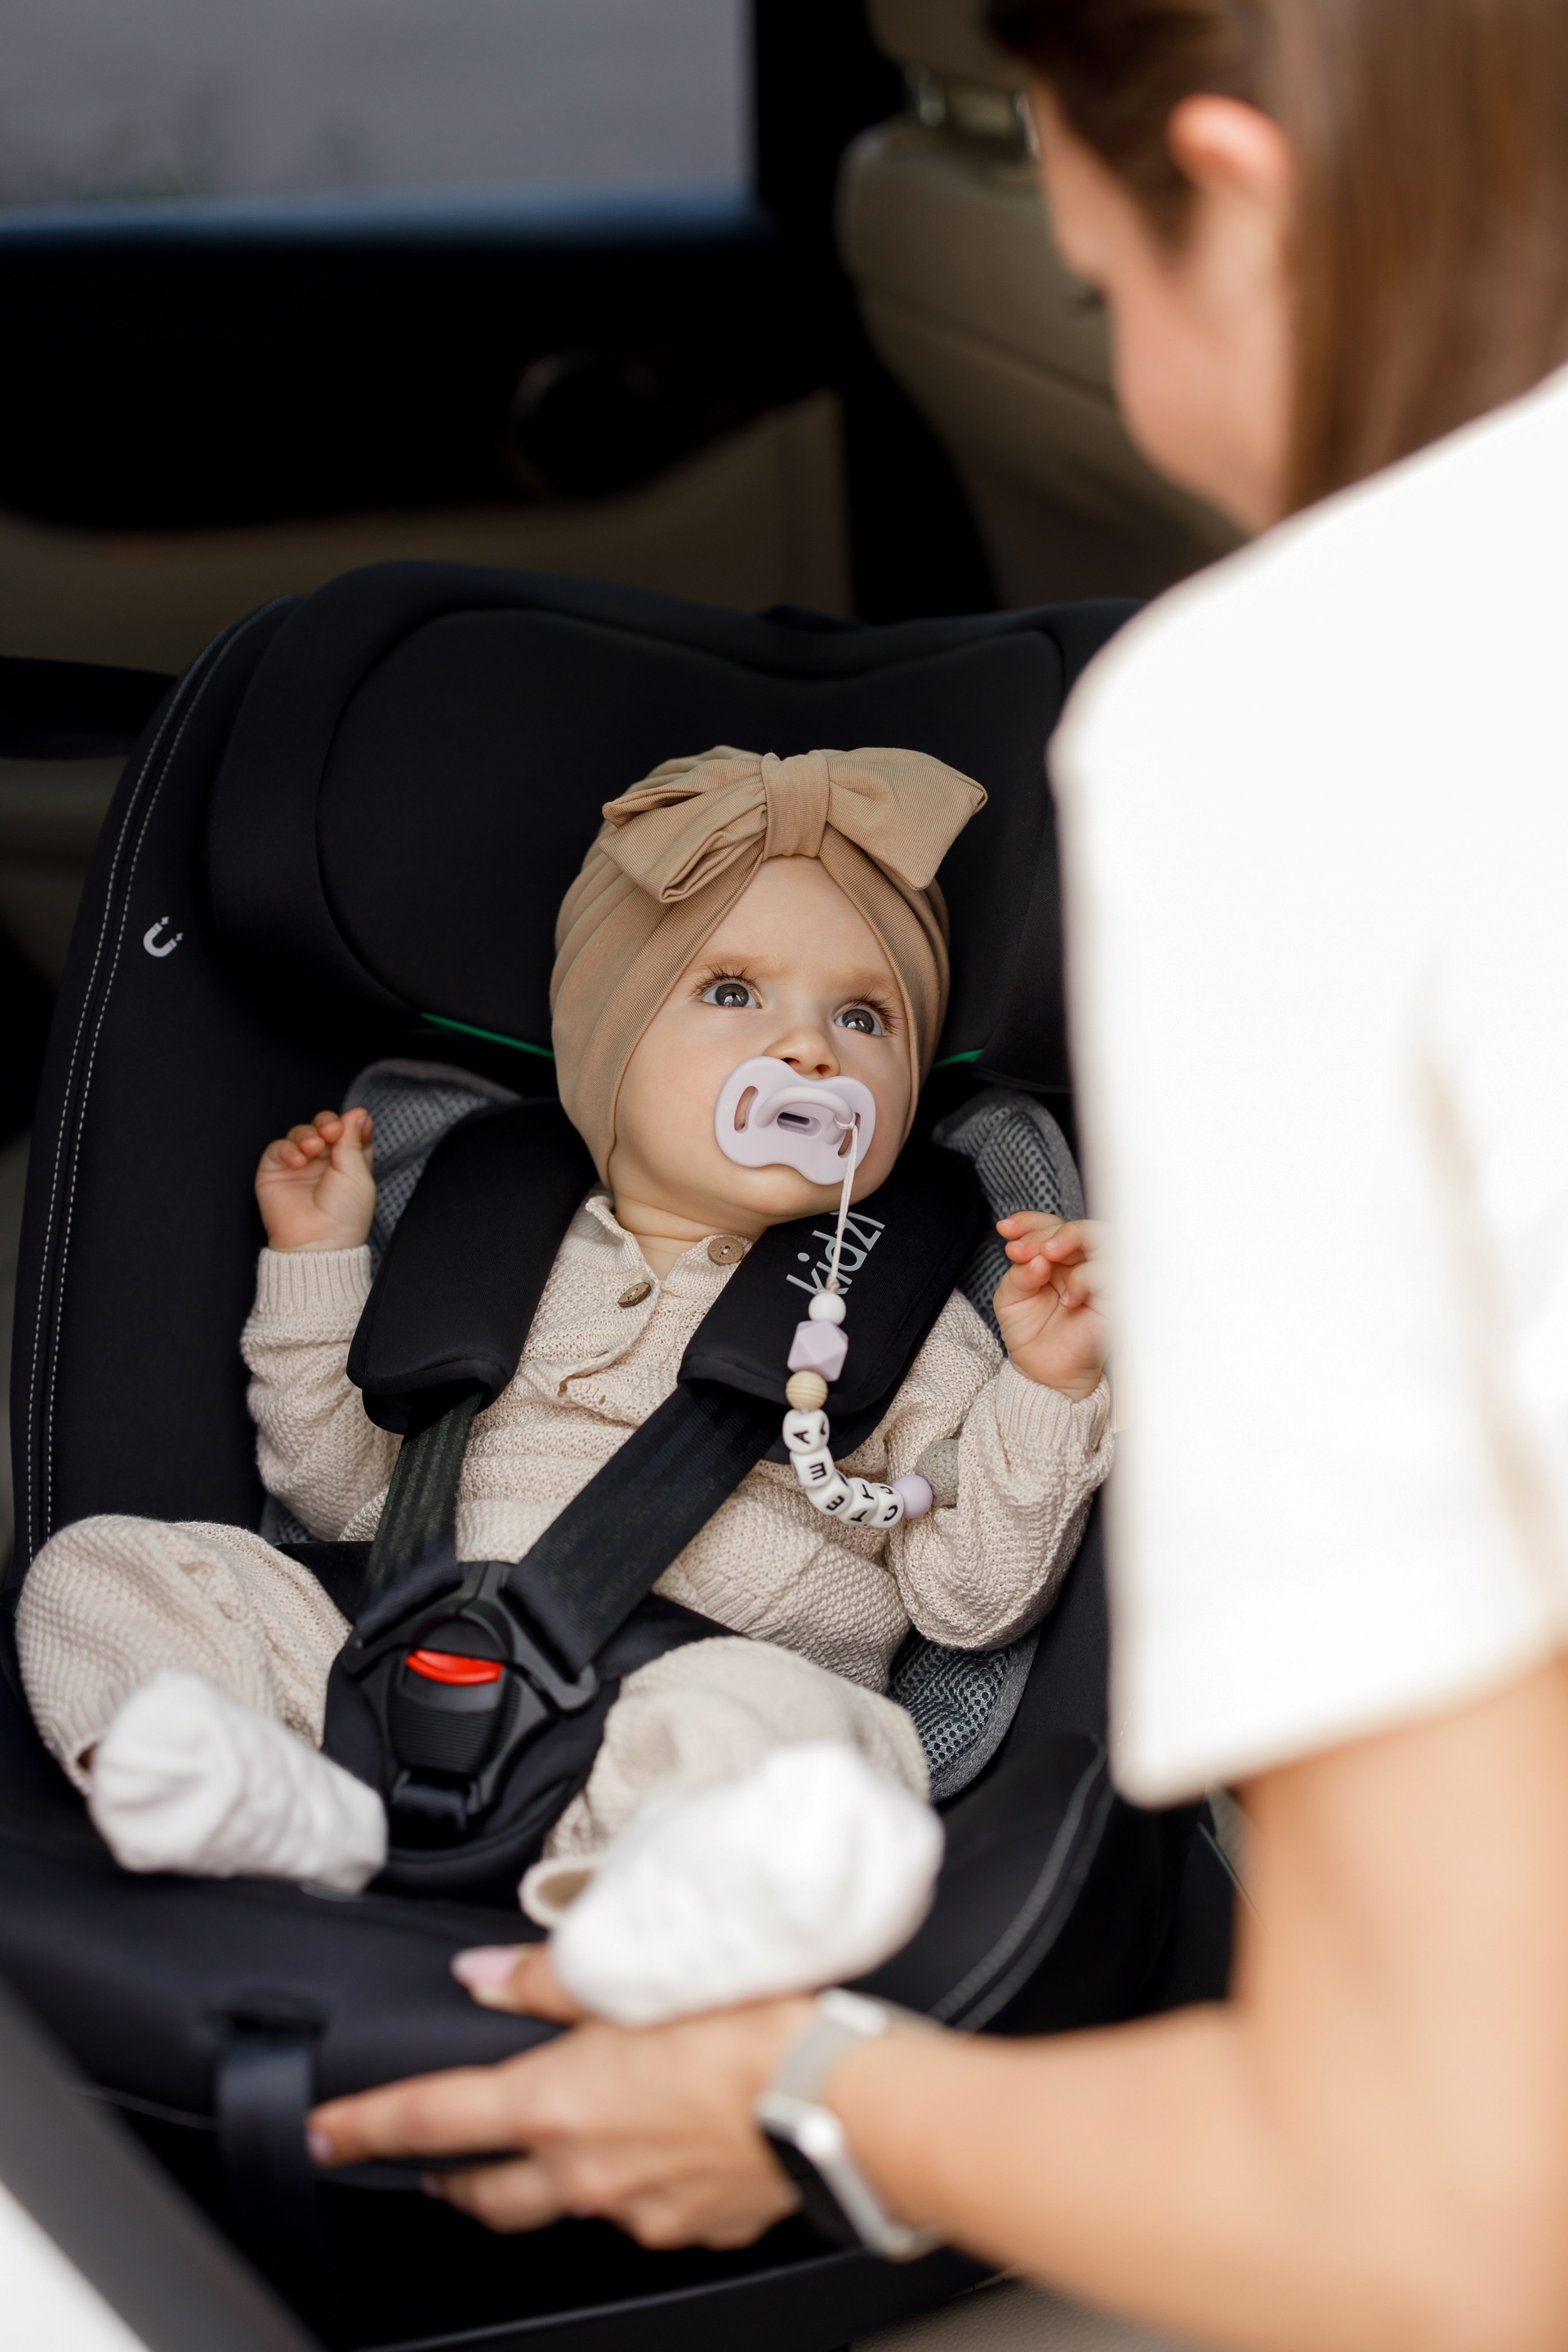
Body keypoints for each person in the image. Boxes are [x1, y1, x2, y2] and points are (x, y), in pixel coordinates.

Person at [306, 2, 1568, 2345]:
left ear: (1242, 199)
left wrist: (801, 2101)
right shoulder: (497, 1227)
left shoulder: (1311, 724)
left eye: (1095, 286)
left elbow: (1437, 2200)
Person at [15, 744, 1111, 2010]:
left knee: (808, 1747)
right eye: (733, 991)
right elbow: (336, 1492)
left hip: (695, 1695)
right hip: (392, 1655)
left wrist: (1049, 1387)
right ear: (607, 1045)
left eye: (864, 1019)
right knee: (101, 1570)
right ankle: (256, 1797)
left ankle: (647, 1901)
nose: (808, 1051)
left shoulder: (907, 1317)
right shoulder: (482, 1244)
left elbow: (969, 1602)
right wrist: (316, 1262)